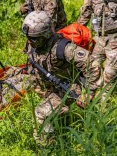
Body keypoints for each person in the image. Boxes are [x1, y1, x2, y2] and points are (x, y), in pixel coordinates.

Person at [22, 11, 91, 141]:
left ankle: (48, 148)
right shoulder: (33, 44)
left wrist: (89, 92)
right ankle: (64, 134)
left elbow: (90, 63)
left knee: (40, 114)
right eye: (28, 37)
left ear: (45, 35)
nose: (29, 41)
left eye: (33, 38)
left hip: (70, 88)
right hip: (50, 86)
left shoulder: (63, 48)